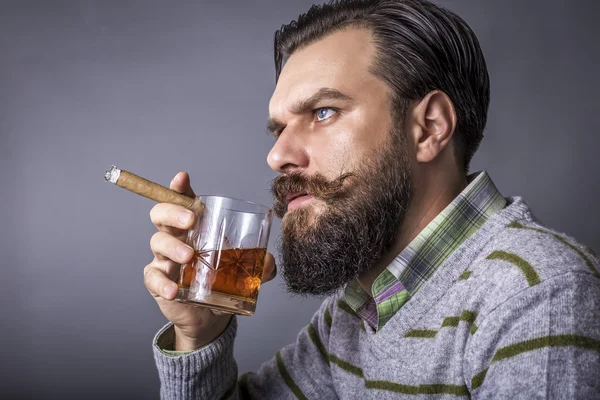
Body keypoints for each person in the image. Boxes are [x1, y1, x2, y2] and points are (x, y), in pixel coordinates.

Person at [143, 0, 600, 398]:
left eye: (323, 112)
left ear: (429, 128)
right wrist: (198, 334)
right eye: (280, 129)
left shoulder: (535, 294)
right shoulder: (360, 312)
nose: (277, 155)